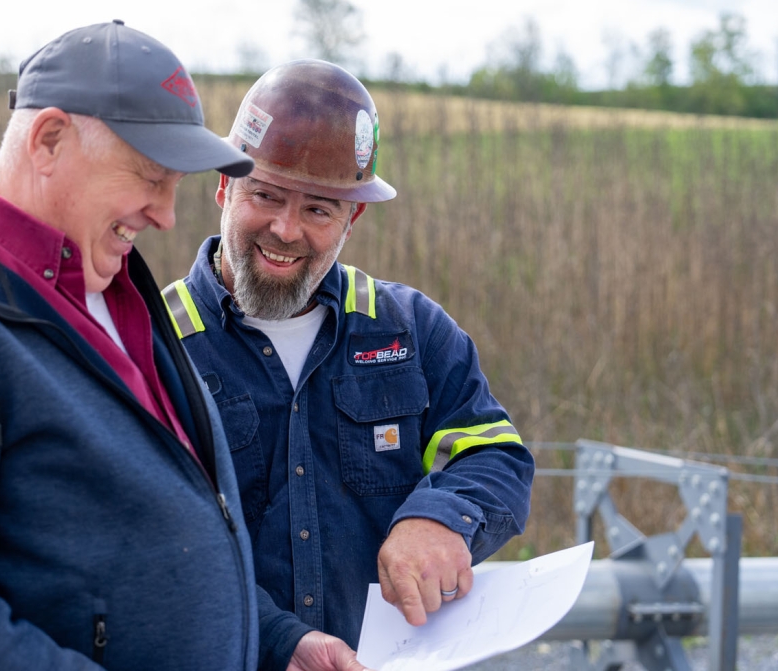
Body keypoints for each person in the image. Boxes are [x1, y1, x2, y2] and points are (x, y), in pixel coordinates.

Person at [0, 23, 368, 671]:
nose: (165, 214)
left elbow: (159, 542)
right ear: (49, 140)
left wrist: (276, 638)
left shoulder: (113, 287)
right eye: (150, 176)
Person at [162, 59, 536, 654]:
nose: (286, 230)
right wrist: (276, 644)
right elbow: (157, 552)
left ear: (351, 217)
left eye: (318, 209)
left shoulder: (410, 330)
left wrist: (442, 517)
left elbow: (494, 453)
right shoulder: (154, 347)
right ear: (223, 187)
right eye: (266, 195)